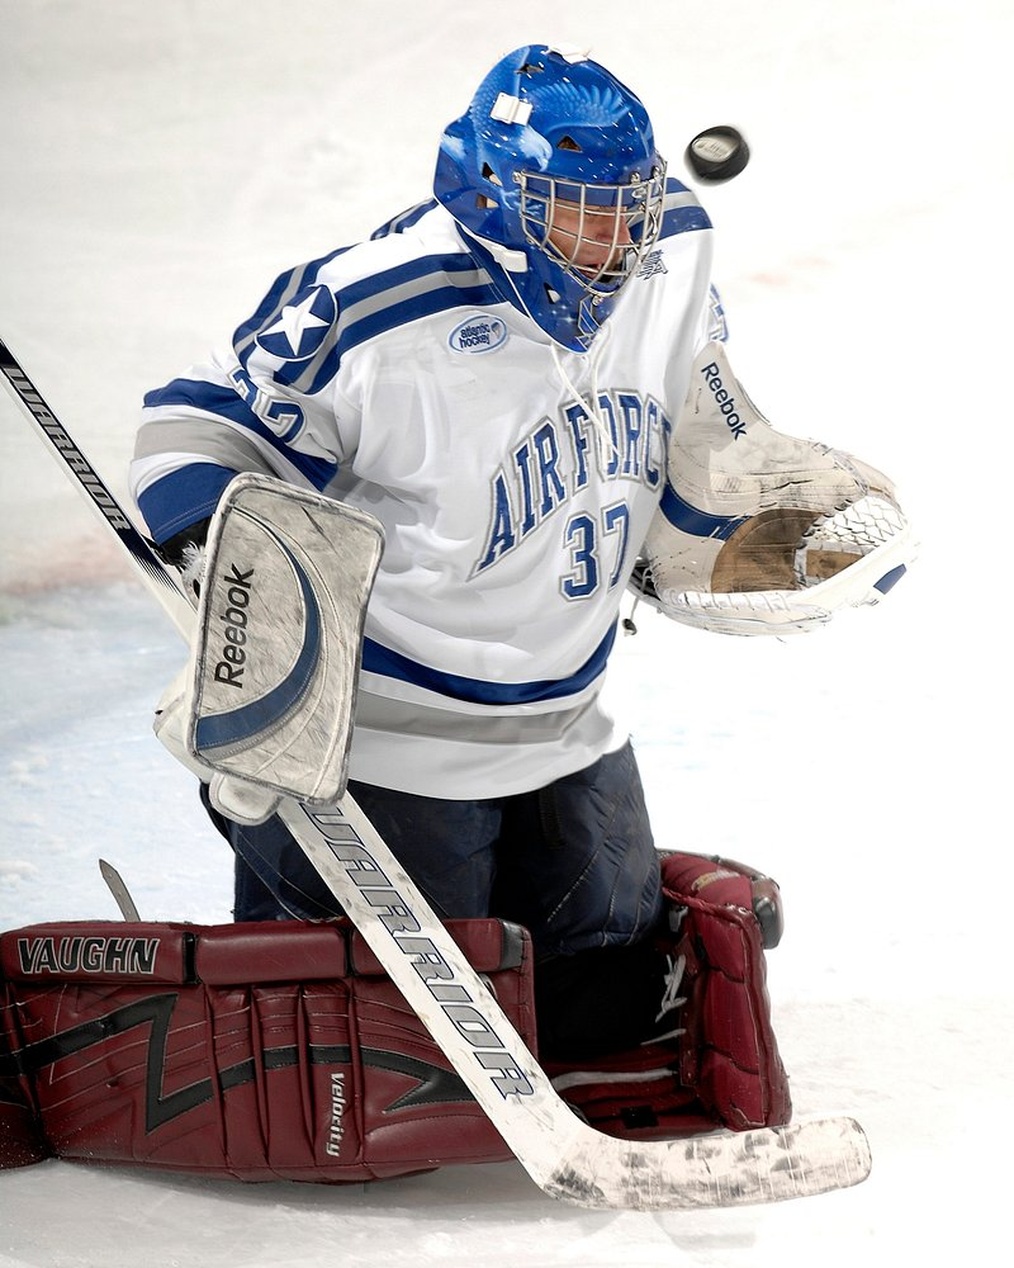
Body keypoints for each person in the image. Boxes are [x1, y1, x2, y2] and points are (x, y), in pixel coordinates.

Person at [128, 44, 900, 1060]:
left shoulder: (672, 251)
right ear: (493, 196)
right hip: (387, 734)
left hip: (570, 715)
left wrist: (732, 510)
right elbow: (194, 427)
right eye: (580, 213)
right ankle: (283, 875)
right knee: (388, 1039)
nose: (614, 245)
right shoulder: (376, 304)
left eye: (629, 208)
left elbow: (688, 415)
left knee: (605, 1000)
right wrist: (243, 592)